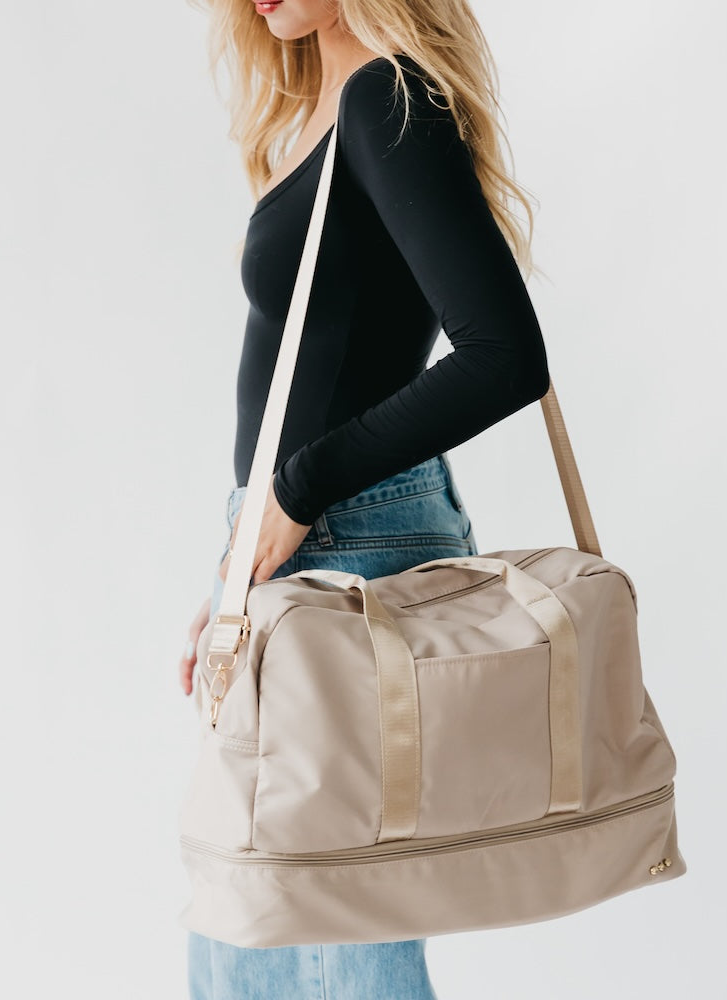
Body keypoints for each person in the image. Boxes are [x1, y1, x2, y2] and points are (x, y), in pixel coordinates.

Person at [177, 1, 551, 997]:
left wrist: (294, 494)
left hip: (349, 537)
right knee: (244, 936)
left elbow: (504, 357)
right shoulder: (324, 109)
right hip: (295, 541)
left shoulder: (388, 99)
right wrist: (236, 570)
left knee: (340, 945)